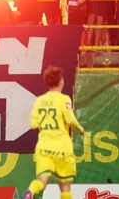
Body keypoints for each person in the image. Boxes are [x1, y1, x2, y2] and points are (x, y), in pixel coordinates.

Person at [21, 66, 85, 199]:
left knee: (41, 181)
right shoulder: (64, 99)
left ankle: (30, 192)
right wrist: (80, 129)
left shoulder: (39, 100)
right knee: (65, 188)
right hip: (62, 147)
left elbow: (33, 124)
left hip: (44, 147)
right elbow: (70, 119)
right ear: (61, 81)